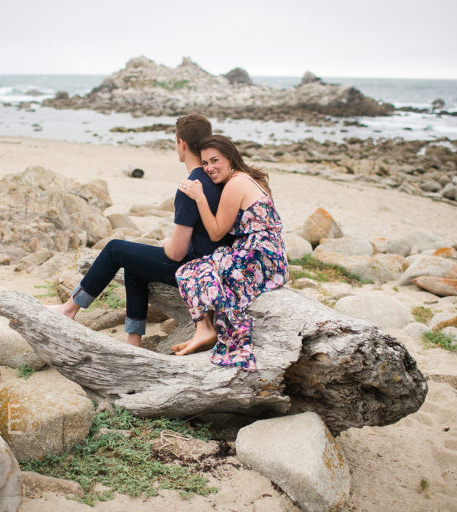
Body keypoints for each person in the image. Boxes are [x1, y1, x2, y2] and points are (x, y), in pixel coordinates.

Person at [51, 114, 233, 346]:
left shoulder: (190, 187)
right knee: (134, 262)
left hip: (196, 270)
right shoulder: (218, 180)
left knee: (114, 249)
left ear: (182, 144)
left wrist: (167, 243)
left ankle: (69, 309)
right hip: (219, 264)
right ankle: (133, 341)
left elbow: (176, 253)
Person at [172, 135, 288, 371]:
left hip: (259, 256)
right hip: (272, 256)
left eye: (215, 160)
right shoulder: (250, 178)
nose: (209, 168)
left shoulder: (236, 183)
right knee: (208, 269)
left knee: (189, 270)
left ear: (230, 158)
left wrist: (200, 197)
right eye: (205, 163)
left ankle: (205, 329)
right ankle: (204, 329)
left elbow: (216, 233)